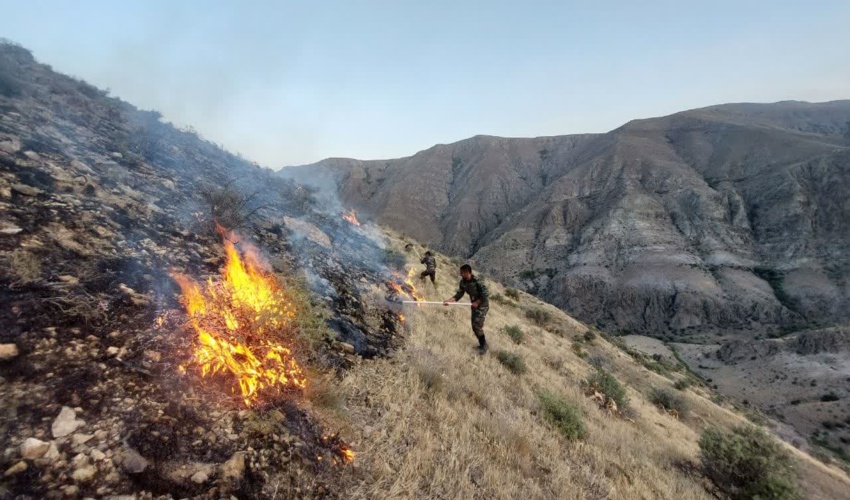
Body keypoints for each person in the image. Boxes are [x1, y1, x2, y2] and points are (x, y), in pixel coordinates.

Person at [443, 264, 489, 354]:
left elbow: (485, 294)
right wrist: (449, 301)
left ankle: (484, 347)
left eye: (462, 273)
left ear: (467, 273)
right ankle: (482, 344)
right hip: (474, 306)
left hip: (482, 306)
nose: (460, 274)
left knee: (477, 326)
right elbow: (459, 294)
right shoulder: (463, 282)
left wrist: (477, 302)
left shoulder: (477, 281)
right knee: (474, 326)